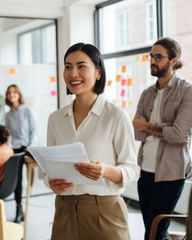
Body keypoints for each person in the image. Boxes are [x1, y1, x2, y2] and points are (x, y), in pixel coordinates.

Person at [45, 43, 140, 240]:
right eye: (68, 66)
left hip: (104, 212)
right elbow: (49, 169)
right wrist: (51, 182)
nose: (73, 74)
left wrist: (104, 171)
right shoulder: (55, 119)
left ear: (98, 72)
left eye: (81, 66)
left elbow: (132, 170)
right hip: (64, 210)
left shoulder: (116, 116)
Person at [133, 37, 192, 240]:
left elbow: (179, 134)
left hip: (171, 174)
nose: (152, 60)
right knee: (153, 232)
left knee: (155, 232)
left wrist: (149, 126)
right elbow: (136, 131)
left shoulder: (187, 90)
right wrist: (167, 131)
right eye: (151, 56)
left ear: (173, 60)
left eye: (158, 56)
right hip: (145, 172)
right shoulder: (146, 93)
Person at [5, 84, 38, 223]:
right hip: (15, 150)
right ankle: (19, 208)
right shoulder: (8, 115)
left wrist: (31, 146)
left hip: (28, 148)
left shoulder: (27, 111)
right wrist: (9, 148)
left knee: (33, 177)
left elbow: (35, 130)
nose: (12, 95)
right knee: (16, 180)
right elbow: (8, 135)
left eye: (14, 92)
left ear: (19, 94)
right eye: (9, 93)